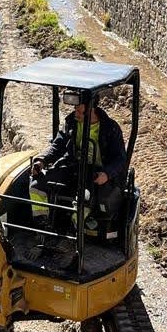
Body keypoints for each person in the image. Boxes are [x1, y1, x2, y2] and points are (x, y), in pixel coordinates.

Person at [29, 94, 127, 231]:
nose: (76, 113)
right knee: (36, 185)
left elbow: (120, 159)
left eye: (80, 111)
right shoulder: (71, 123)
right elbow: (58, 145)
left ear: (92, 108)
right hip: (73, 167)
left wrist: (106, 174)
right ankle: (42, 226)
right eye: (75, 109)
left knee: (85, 198)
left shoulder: (110, 128)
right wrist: (42, 160)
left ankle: (73, 231)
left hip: (96, 173)